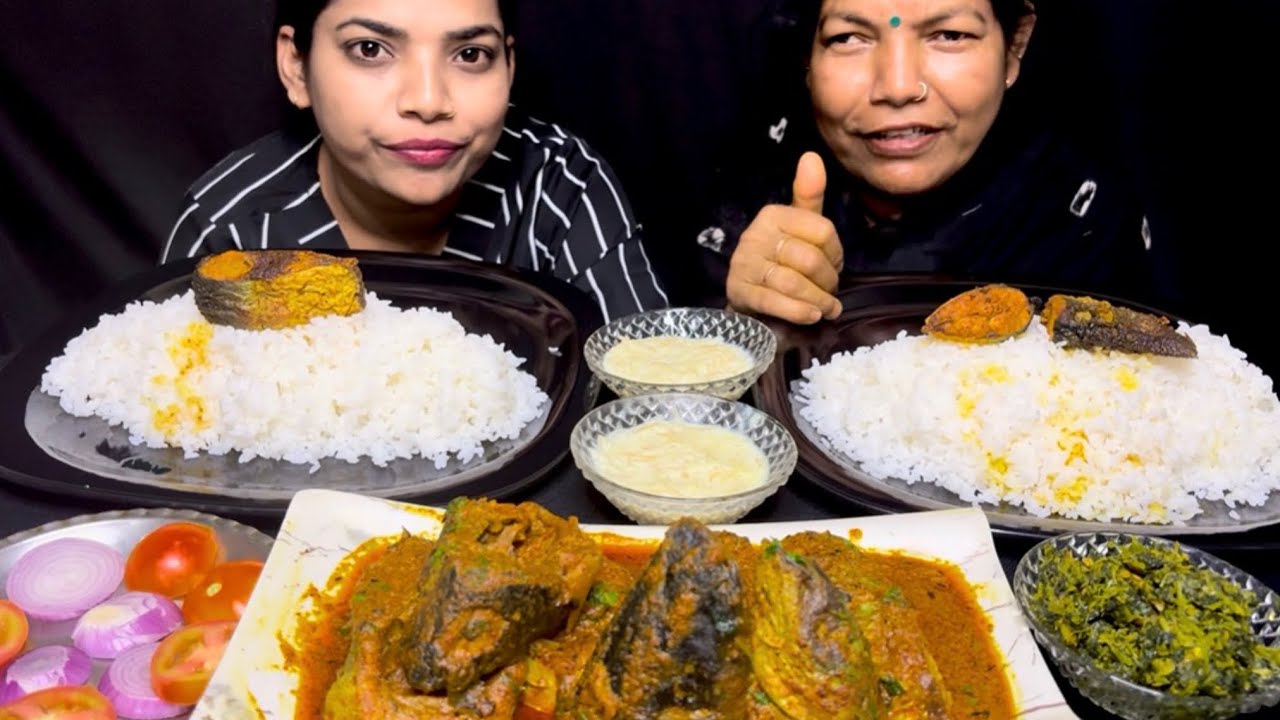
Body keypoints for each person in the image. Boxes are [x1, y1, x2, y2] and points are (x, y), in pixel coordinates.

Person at [161, 0, 669, 322]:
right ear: (296, 67)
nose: (428, 101)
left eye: (470, 55)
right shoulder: (227, 229)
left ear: (509, 67)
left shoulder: (559, 187)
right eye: (370, 49)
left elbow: (661, 403)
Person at [698, 0, 1158, 324]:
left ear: (1014, 45)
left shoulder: (1083, 224)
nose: (898, 86)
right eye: (848, 37)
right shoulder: (756, 180)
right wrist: (743, 327)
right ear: (807, 58)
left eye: (949, 35)